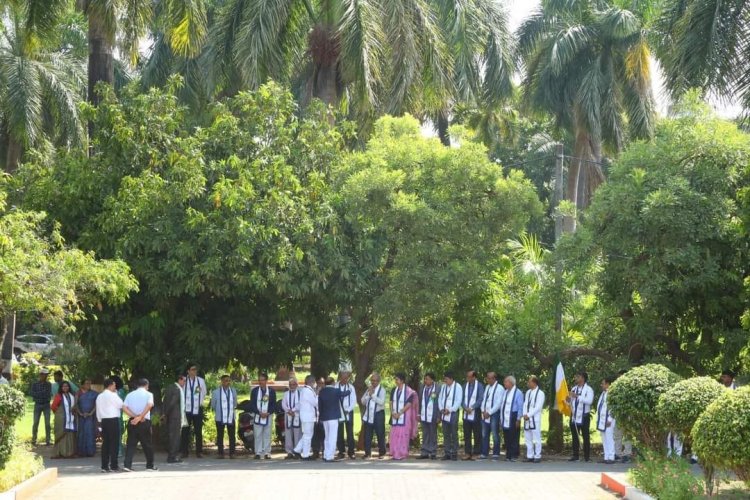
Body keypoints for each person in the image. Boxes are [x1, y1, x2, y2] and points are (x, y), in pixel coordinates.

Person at [123, 378, 156, 472]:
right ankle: (150, 466)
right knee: (147, 444)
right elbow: (150, 405)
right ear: (146, 385)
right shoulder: (149, 394)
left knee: (131, 444)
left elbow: (124, 407)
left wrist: (135, 417)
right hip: (144, 421)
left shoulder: (130, 394)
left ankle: (127, 465)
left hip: (132, 421)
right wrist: (141, 417)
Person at [318, 377, 350, 462]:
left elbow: (319, 405)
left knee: (327, 437)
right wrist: (349, 388)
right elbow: (345, 393)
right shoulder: (336, 391)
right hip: (333, 417)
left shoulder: (321, 391)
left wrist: (320, 417)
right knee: (332, 437)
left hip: (324, 417)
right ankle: (330, 456)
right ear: (333, 383)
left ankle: (325, 455)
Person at [96, 378, 124, 472]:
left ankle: (104, 466)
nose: (115, 387)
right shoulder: (113, 395)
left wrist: (99, 421)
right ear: (110, 385)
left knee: (106, 443)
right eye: (114, 385)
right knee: (114, 443)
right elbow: (121, 404)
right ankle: (114, 465)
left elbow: (98, 409)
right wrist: (116, 394)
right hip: (113, 420)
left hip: (104, 420)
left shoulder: (100, 396)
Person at [389, 372, 418, 460]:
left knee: (403, 436)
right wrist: (392, 412)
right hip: (395, 417)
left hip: (404, 417)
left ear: (402, 381)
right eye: (395, 379)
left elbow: (409, 404)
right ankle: (394, 453)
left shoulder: (409, 391)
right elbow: (390, 402)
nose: (395, 381)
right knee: (394, 435)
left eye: (397, 379)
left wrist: (400, 413)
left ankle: (402, 453)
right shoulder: (394, 390)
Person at [181, 364, 207, 458]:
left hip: (197, 408)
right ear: (188, 371)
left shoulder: (201, 381)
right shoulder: (184, 380)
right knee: (185, 430)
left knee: (198, 430)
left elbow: (204, 393)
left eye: (196, 369)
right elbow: (180, 392)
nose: (194, 371)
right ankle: (184, 451)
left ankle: (199, 451)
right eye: (192, 369)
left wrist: (199, 402)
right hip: (186, 409)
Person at [568, 371, 594, 462]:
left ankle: (587, 456)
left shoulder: (588, 389)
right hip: (574, 415)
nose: (575, 378)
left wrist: (577, 397)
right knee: (575, 436)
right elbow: (570, 402)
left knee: (585, 436)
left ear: (582, 378)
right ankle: (576, 455)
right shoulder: (574, 388)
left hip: (584, 416)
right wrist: (567, 399)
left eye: (577, 377)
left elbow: (589, 401)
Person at [250, 372, 277, 459]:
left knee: (267, 434)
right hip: (258, 415)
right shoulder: (254, 391)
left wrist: (268, 413)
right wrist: (259, 413)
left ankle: (267, 452)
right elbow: (252, 404)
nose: (260, 382)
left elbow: (274, 405)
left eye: (262, 380)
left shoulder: (271, 392)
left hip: (268, 415)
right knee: (257, 434)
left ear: (266, 381)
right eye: (259, 380)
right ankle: (257, 452)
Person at [210, 375, 237, 458]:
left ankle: (232, 453)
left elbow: (235, 403)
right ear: (221, 382)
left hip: (230, 416)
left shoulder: (233, 391)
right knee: (220, 435)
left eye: (229, 380)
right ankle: (220, 453)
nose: (228, 382)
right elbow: (213, 405)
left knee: (232, 435)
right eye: (226, 380)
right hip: (220, 417)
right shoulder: (215, 392)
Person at [361, 372, 387, 459]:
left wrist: (373, 395)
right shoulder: (368, 389)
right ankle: (367, 453)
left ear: (379, 381)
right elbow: (362, 402)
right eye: (372, 380)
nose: (373, 382)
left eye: (375, 381)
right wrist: (368, 394)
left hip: (378, 414)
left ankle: (382, 453)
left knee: (380, 434)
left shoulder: (382, 390)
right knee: (367, 435)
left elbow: (381, 402)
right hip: (368, 415)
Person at [438, 371, 463, 461]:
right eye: (445, 379)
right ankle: (447, 453)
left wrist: (451, 409)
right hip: (444, 413)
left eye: (447, 379)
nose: (445, 381)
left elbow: (458, 401)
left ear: (452, 379)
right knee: (446, 434)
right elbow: (440, 398)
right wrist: (441, 408)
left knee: (454, 433)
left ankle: (454, 453)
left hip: (453, 413)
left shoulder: (458, 387)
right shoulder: (444, 387)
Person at [293, 375, 319, 460]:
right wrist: (318, 395)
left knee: (306, 435)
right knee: (308, 436)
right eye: (314, 382)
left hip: (306, 416)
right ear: (311, 382)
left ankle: (297, 450)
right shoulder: (308, 391)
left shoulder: (305, 390)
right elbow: (315, 403)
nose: (315, 384)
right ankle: (305, 454)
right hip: (308, 417)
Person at [163, 373, 186, 463]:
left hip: (171, 416)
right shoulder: (177, 389)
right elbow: (172, 403)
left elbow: (165, 400)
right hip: (175, 416)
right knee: (175, 437)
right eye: (184, 381)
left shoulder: (170, 387)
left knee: (172, 436)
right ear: (179, 380)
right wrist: (166, 413)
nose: (184, 383)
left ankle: (172, 455)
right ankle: (172, 457)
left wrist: (165, 413)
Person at [499, 375, 523, 462]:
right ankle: (508, 455)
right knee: (507, 436)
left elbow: (520, 407)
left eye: (506, 382)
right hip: (506, 416)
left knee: (514, 436)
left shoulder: (518, 392)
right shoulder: (505, 392)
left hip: (513, 415)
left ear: (511, 383)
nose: (504, 383)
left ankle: (514, 455)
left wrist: (518, 418)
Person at [479, 371, 503, 460]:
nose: (487, 380)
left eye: (489, 378)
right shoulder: (487, 387)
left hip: (494, 414)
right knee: (484, 434)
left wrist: (490, 412)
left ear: (494, 378)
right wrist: (483, 410)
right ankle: (484, 452)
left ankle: (496, 453)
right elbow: (484, 400)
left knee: (495, 434)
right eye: (487, 378)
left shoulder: (500, 388)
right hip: (485, 414)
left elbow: (498, 403)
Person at [50, 381, 77, 458]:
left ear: (69, 387)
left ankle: (69, 452)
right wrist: (60, 413)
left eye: (67, 386)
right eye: (64, 386)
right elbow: (53, 407)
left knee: (70, 434)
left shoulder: (71, 396)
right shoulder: (58, 396)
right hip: (61, 419)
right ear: (61, 388)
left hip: (70, 419)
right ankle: (60, 452)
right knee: (61, 434)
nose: (65, 388)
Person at [417, 372, 440, 460]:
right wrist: (418, 413)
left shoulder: (437, 388)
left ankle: (433, 452)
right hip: (424, 414)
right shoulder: (422, 387)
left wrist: (439, 416)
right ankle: (424, 452)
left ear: (432, 380)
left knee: (433, 434)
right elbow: (420, 401)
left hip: (433, 415)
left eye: (427, 379)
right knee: (425, 434)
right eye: (425, 379)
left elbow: (439, 403)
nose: (425, 381)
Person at [462, 370, 484, 460]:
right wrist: (465, 407)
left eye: (470, 377)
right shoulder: (464, 386)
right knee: (467, 434)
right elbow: (461, 398)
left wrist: (472, 408)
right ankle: (467, 453)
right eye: (467, 376)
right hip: (466, 413)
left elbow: (480, 399)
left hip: (475, 413)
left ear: (474, 377)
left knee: (477, 434)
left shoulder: (479, 386)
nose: (468, 378)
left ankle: (477, 452)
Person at [523, 375, 545, 463]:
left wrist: (529, 414)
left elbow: (538, 407)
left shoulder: (540, 393)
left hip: (535, 419)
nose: (528, 383)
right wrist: (525, 414)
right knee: (528, 438)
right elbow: (525, 404)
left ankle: (537, 455)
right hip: (527, 419)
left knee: (536, 438)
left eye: (529, 382)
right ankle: (530, 455)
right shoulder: (528, 392)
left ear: (534, 383)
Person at [335, 370, 357, 459]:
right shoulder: (336, 386)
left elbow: (353, 400)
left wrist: (348, 409)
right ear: (340, 377)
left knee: (350, 432)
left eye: (346, 378)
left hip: (348, 412)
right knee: (339, 432)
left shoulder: (351, 387)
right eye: (343, 378)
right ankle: (341, 451)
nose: (344, 380)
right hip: (338, 412)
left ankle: (351, 451)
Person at [75, 379, 98, 457]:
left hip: (90, 416)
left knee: (90, 432)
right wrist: (80, 413)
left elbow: (96, 404)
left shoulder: (94, 394)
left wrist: (90, 413)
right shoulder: (78, 393)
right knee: (81, 433)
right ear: (82, 385)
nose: (88, 385)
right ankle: (81, 452)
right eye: (87, 383)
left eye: (89, 383)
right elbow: (76, 404)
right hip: (81, 416)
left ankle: (90, 451)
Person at [30, 368, 52, 446]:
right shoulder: (35, 384)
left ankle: (48, 440)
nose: (45, 376)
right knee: (35, 422)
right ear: (40, 375)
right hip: (38, 404)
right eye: (44, 375)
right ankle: (34, 439)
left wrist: (39, 394)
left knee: (47, 423)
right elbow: (32, 393)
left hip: (46, 404)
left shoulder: (48, 384)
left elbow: (48, 394)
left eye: (46, 375)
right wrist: (40, 394)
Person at [596, 376, 615, 464]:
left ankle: (611, 457)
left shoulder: (612, 393)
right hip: (602, 420)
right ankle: (606, 456)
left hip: (609, 420)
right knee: (604, 438)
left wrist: (610, 419)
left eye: (603, 384)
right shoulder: (603, 393)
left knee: (609, 437)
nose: (601, 385)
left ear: (608, 384)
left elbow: (613, 407)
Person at [281, 378, 302, 459]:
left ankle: (297, 451)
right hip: (288, 414)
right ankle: (289, 451)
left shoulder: (300, 393)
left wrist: (293, 410)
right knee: (288, 433)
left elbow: (300, 403)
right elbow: (283, 403)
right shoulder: (286, 393)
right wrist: (288, 411)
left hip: (297, 414)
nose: (292, 386)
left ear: (297, 385)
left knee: (297, 433)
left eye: (293, 384)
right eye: (290, 385)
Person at [312, 376, 326, 459]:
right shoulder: (313, 392)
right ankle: (315, 451)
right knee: (315, 435)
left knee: (324, 435)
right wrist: (317, 393)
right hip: (314, 416)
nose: (320, 385)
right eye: (319, 383)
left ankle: (324, 451)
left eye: (322, 383)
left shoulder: (326, 392)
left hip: (323, 417)